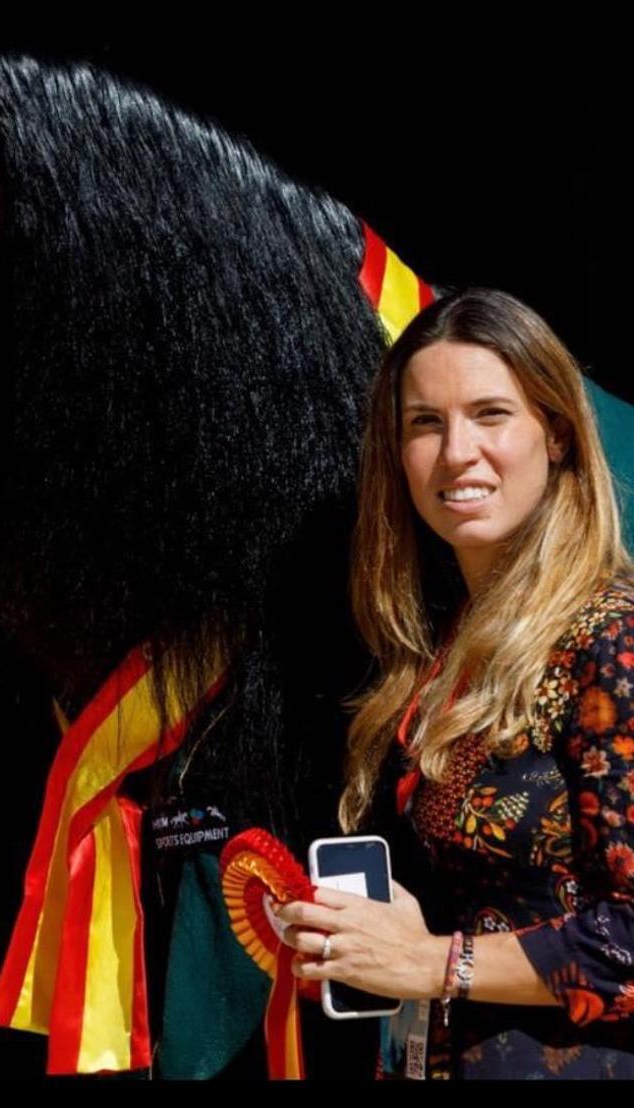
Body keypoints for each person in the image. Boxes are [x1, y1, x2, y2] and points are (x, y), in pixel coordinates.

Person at [272, 287, 634, 1079]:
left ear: (561, 436)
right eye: (425, 423)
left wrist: (439, 961)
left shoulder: (613, 637)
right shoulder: (439, 650)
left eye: (490, 414)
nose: (457, 452)